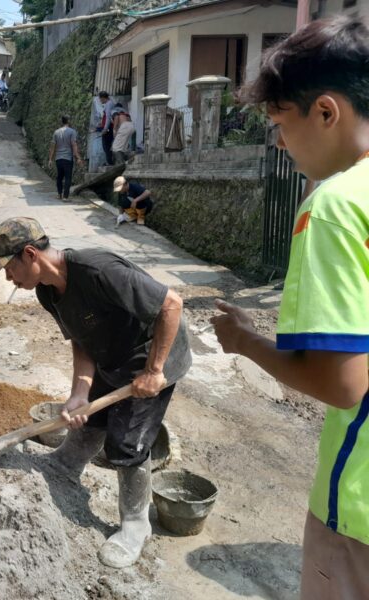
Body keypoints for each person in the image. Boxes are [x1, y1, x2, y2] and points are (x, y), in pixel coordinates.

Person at [209, 16, 369, 599]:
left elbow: (343, 381)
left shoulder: (336, 208)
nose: (278, 142)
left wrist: (247, 342)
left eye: (280, 123)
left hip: (360, 504)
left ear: (325, 112)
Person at [0, 217, 190, 568]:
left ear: (30, 254)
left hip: (152, 355)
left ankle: (136, 524)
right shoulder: (48, 290)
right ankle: (67, 462)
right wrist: (80, 392)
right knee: (89, 411)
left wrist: (154, 371)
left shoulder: (98, 270)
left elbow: (172, 304)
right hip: (112, 353)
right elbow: (82, 337)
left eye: (7, 268)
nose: (7, 278)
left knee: (126, 441)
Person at [48, 115, 81, 201]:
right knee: (68, 177)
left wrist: (50, 159)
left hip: (58, 159)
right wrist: (77, 157)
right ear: (68, 121)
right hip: (68, 158)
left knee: (59, 177)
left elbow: (52, 147)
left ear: (62, 122)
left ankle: (59, 194)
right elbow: (74, 144)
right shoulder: (72, 132)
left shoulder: (56, 132)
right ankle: (65, 197)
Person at [100, 92, 115, 166]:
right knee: (107, 145)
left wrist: (105, 129)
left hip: (108, 128)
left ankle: (109, 162)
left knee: (106, 145)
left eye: (100, 99)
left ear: (103, 98)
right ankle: (109, 161)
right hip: (108, 127)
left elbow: (108, 117)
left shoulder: (109, 104)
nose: (100, 100)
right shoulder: (109, 103)